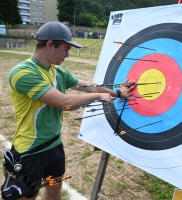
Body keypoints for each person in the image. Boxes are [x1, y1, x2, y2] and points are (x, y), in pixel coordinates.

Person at [7, 21, 135, 200]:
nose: (67, 55)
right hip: (30, 150)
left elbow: (90, 87)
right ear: (50, 44)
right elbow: (64, 103)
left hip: (54, 145)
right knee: (27, 196)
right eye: (66, 49)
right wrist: (97, 97)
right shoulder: (23, 73)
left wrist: (118, 93)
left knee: (54, 188)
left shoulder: (58, 72)